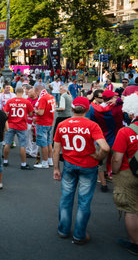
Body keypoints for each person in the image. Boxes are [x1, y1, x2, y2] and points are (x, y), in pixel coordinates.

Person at [52, 97, 110, 245]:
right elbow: (105, 147)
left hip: (69, 165)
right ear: (87, 109)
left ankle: (63, 230)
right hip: (88, 167)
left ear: (71, 109)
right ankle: (79, 235)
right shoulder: (92, 125)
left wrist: (56, 168)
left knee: (66, 198)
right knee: (84, 201)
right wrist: (98, 157)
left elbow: (56, 149)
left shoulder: (62, 124)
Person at [111, 93, 138, 256]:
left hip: (128, 174)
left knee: (131, 209)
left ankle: (135, 243)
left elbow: (117, 158)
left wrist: (114, 172)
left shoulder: (125, 131)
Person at [2, 87, 34, 169]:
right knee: (22, 145)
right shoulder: (26, 102)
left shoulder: (10, 101)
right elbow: (31, 114)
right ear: (23, 92)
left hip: (11, 124)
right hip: (22, 125)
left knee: (7, 143)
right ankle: (23, 164)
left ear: (15, 92)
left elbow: (5, 113)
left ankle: (5, 161)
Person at [33, 84, 56, 169]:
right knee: (48, 142)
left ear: (37, 90)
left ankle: (44, 162)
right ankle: (50, 160)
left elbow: (41, 112)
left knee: (43, 144)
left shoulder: (43, 98)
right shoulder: (51, 96)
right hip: (49, 122)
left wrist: (35, 110)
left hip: (42, 123)